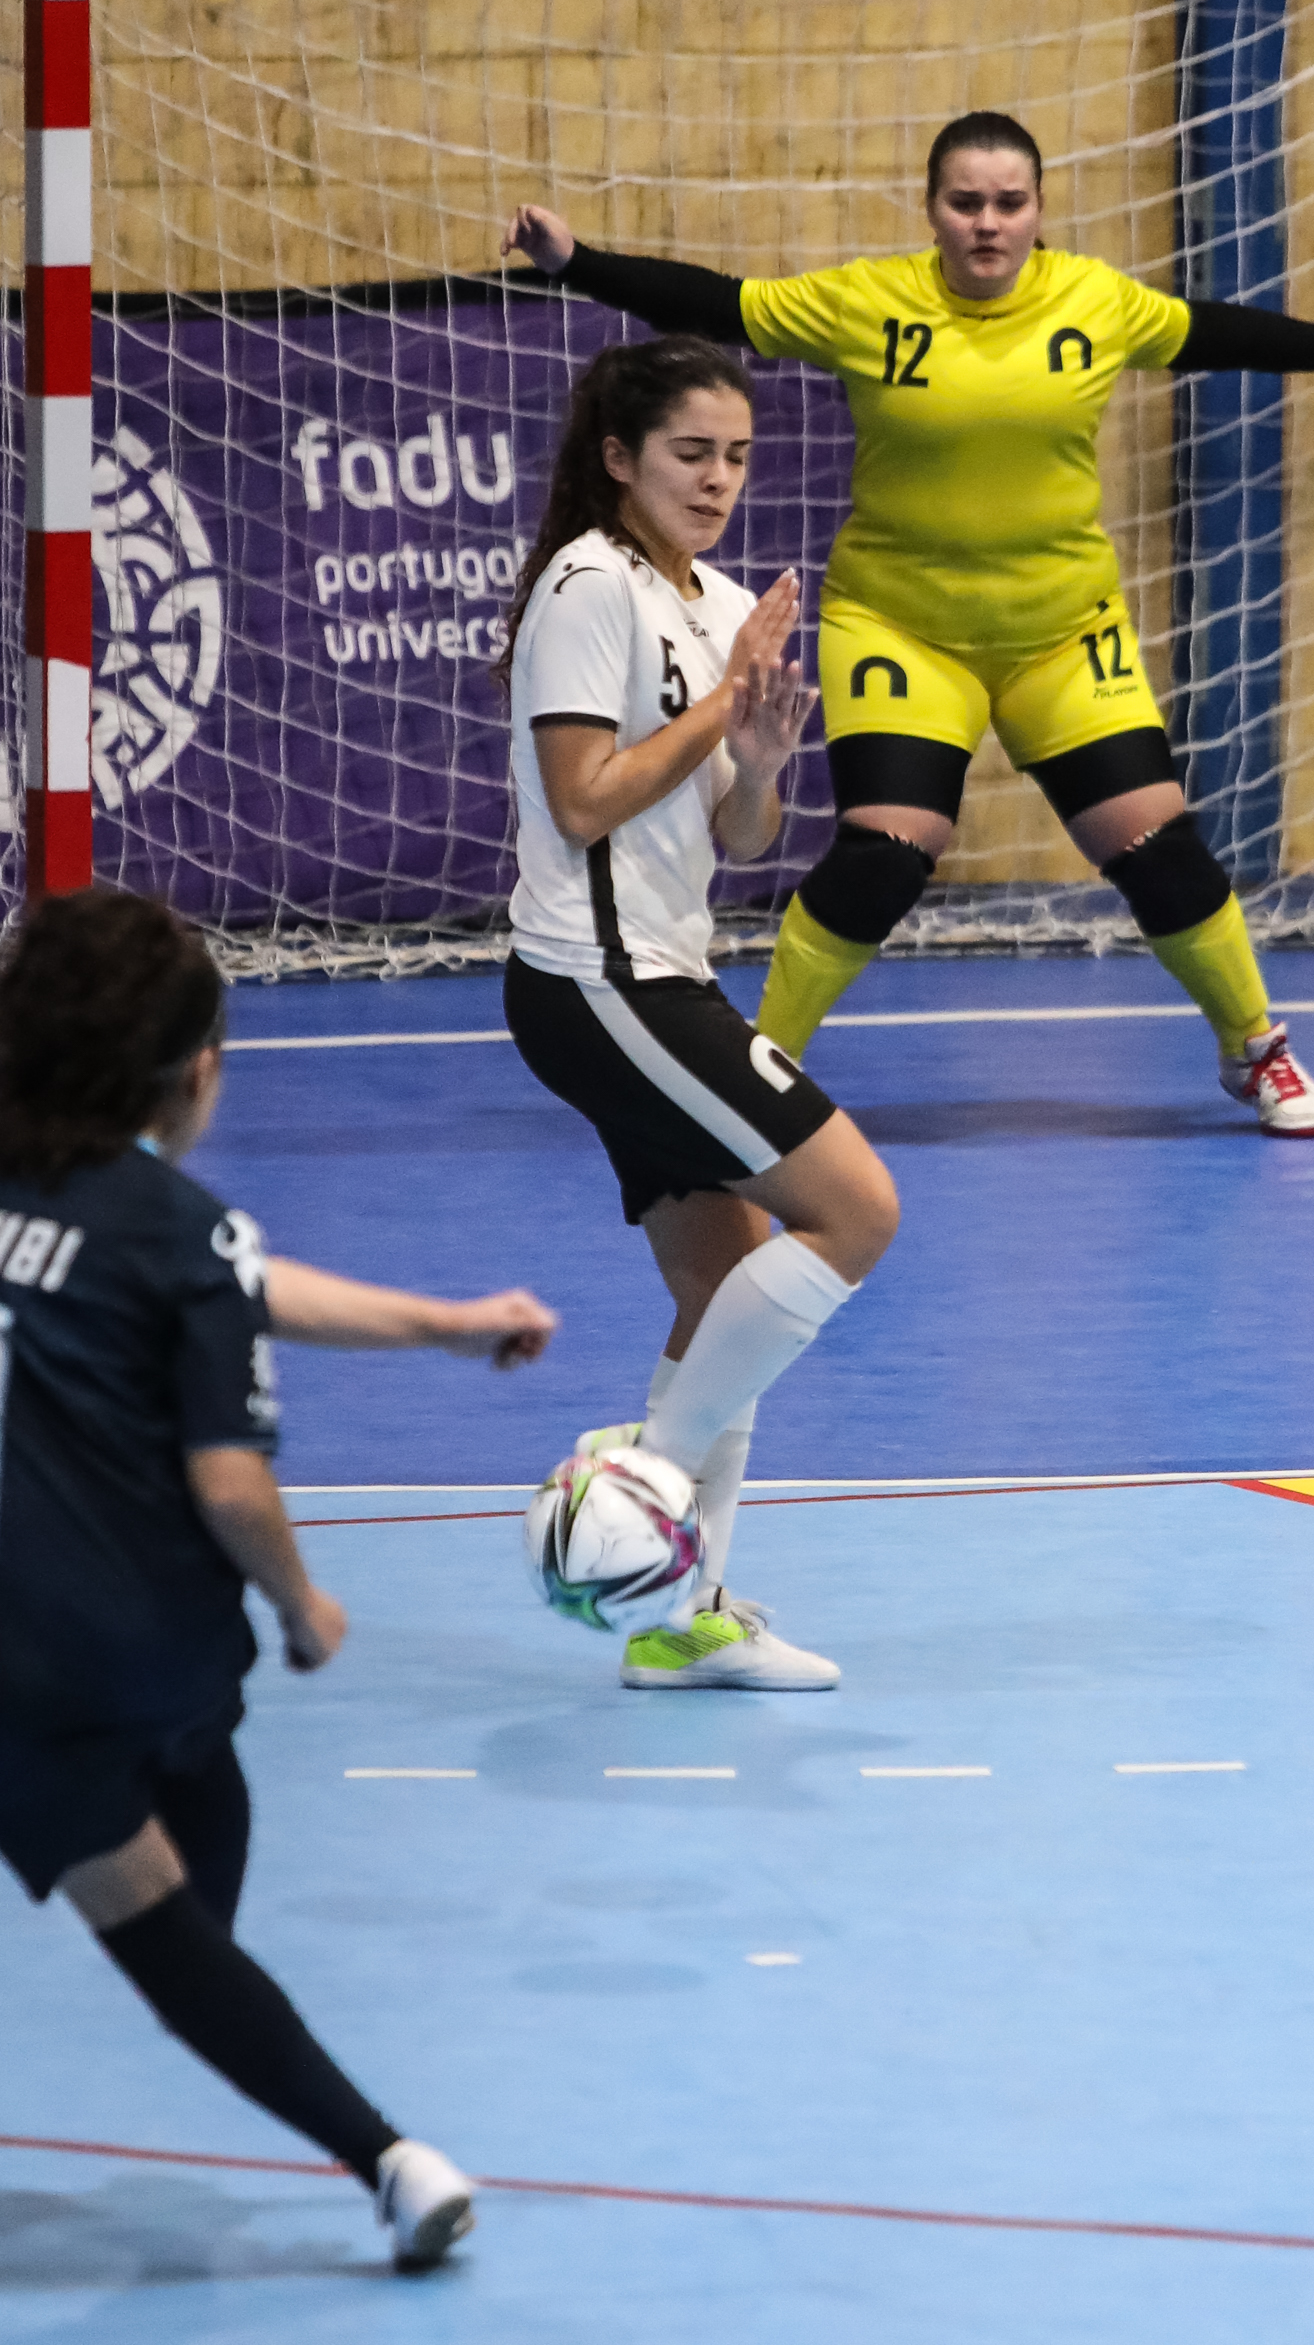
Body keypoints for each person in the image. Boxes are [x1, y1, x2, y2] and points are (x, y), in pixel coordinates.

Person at [504, 111, 1314, 1138]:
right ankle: (756, 1064)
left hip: (1061, 631)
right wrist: (575, 259)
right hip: (901, 625)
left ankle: (1255, 1046)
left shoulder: (1094, 299)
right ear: (933, 209)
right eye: (966, 202)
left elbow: (1211, 332)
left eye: (1010, 203)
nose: (988, 223)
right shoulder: (870, 301)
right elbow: (720, 305)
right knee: (885, 854)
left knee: (1156, 843)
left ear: (1038, 210)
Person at [0, 884, 558, 2270]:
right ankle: (389, 2154)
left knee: (163, 1890)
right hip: (124, 1643)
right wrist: (301, 1604)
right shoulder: (177, 1228)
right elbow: (230, 1482)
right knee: (192, 1815)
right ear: (193, 1070)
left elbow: (235, 1280)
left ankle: (184, 1947)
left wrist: (445, 1326)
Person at [497, 336, 900, 1691]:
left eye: (735, 456)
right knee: (856, 1212)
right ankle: (635, 1493)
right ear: (620, 459)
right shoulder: (584, 586)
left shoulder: (721, 600)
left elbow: (736, 827)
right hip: (593, 981)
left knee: (725, 1286)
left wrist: (766, 751)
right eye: (690, 454)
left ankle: (680, 1621)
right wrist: (728, 698)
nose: (719, 479)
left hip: (665, 966)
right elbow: (582, 799)